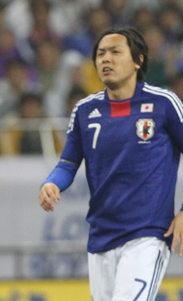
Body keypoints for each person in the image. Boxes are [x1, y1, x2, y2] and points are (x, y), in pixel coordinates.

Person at [38, 27, 183, 301]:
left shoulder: (164, 103)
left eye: (115, 52)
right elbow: (68, 164)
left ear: (138, 60)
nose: (106, 59)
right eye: (101, 54)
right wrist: (51, 183)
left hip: (147, 234)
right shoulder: (84, 110)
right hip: (101, 236)